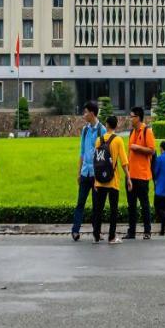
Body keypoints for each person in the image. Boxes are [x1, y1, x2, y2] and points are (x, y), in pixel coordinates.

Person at [91, 114, 130, 244]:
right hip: (113, 180)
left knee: (98, 209)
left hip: (100, 180)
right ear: (116, 125)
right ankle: (112, 237)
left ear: (106, 125)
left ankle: (96, 235)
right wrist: (128, 178)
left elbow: (96, 161)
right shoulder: (118, 140)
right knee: (113, 210)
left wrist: (96, 180)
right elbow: (124, 162)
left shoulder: (98, 140)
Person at [71, 100, 104, 241]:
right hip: (85, 173)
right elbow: (82, 153)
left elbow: (103, 155)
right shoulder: (85, 130)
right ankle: (75, 230)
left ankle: (96, 232)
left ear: (92, 113)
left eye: (85, 112)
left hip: (96, 175)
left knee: (97, 206)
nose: (84, 115)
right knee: (80, 203)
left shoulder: (101, 130)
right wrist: (79, 173)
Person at [125, 106, 156, 239]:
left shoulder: (147, 131)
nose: (130, 118)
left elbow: (152, 150)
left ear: (137, 117)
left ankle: (147, 231)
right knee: (131, 205)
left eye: (131, 116)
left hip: (142, 175)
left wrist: (138, 148)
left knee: (144, 205)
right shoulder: (132, 132)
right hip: (131, 175)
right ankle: (131, 231)